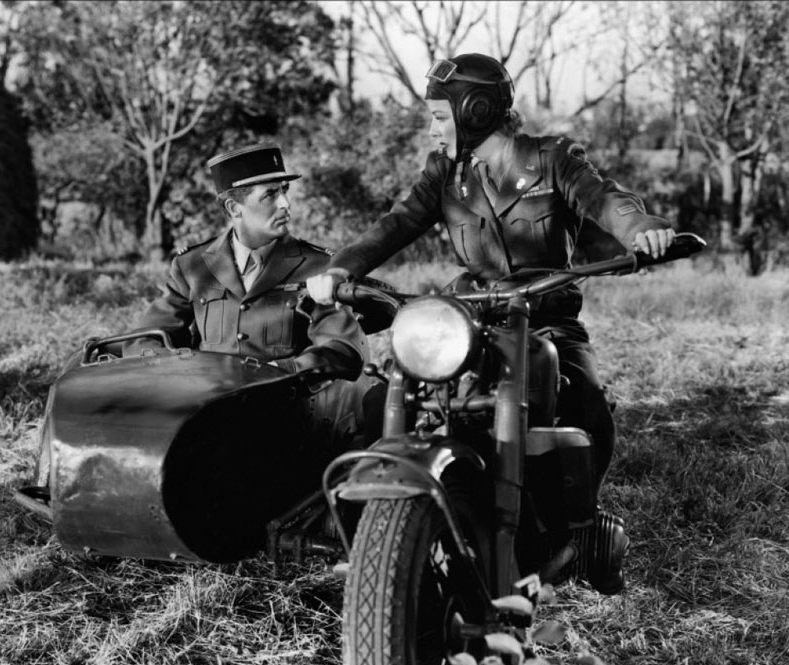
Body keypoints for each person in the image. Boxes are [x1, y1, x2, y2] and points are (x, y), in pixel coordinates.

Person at [306, 53, 676, 593]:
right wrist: (341, 268)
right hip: (471, 319)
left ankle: (574, 529)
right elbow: (398, 222)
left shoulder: (552, 159)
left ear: (474, 110)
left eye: (438, 115)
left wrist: (641, 226)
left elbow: (604, 199)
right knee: (409, 388)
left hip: (546, 320)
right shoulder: (447, 174)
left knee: (588, 405)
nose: (433, 129)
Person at [128, 142, 368, 381]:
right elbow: (146, 339)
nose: (286, 203)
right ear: (234, 208)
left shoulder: (319, 266)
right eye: (270, 194)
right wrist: (183, 373)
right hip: (209, 405)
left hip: (285, 405)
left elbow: (341, 350)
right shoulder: (192, 265)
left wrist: (279, 371)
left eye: (284, 190)